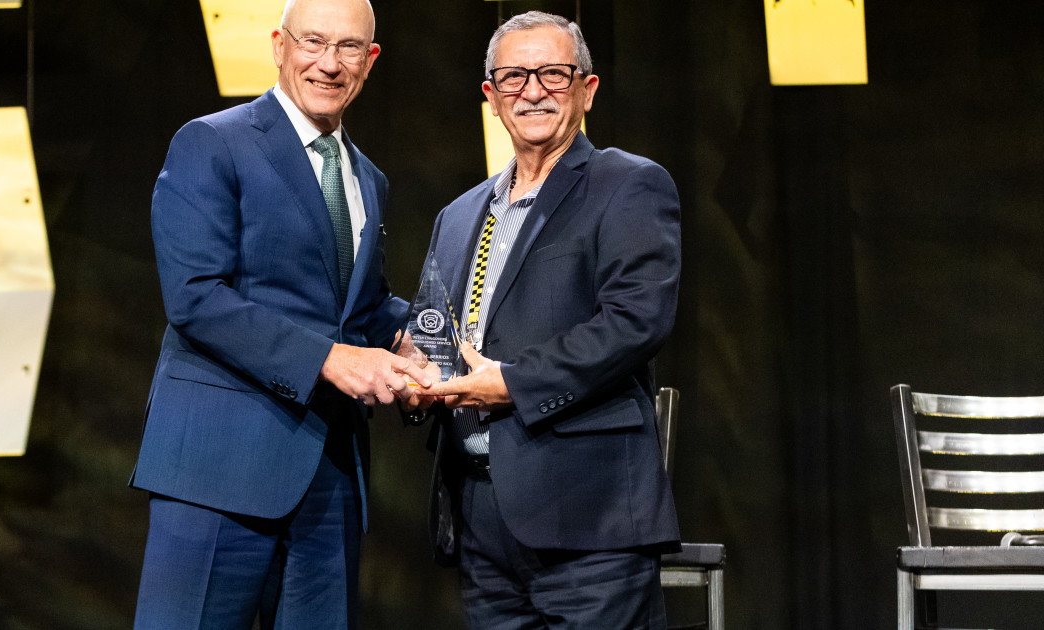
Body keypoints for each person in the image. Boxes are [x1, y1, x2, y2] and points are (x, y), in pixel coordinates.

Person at [129, 0, 430, 627]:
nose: (328, 63)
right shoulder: (213, 142)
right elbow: (195, 297)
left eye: (349, 48)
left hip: (330, 480)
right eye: (312, 41)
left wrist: (411, 341)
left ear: (370, 61)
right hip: (218, 473)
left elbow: (361, 307)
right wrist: (329, 358)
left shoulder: (368, 178)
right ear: (278, 45)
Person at [414, 11, 682, 628]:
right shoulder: (457, 216)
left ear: (587, 89)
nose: (532, 90)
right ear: (491, 97)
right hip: (479, 512)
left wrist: (511, 381)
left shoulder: (629, 184)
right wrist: (412, 370)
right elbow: (436, 329)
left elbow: (635, 321)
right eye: (513, 77)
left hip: (590, 515)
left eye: (553, 74)